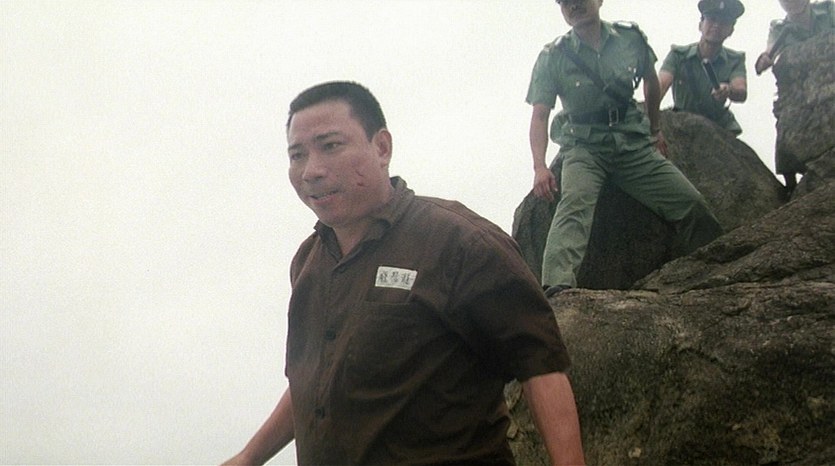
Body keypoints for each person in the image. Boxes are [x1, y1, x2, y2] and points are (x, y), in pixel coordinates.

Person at [222, 81, 585, 465]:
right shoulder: (309, 263)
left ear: (382, 147)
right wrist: (248, 457)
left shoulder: (460, 241)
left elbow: (540, 367)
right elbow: (314, 383)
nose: (311, 170)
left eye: (330, 146)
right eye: (298, 155)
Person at [526, 0, 723, 296]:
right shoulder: (552, 56)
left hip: (632, 143)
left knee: (691, 203)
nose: (574, 6)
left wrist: (655, 129)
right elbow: (540, 115)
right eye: (565, 2)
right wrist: (540, 166)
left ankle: (715, 267)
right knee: (574, 206)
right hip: (584, 147)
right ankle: (556, 288)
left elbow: (651, 83)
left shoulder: (630, 38)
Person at [754, 0, 834, 193]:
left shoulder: (828, 9)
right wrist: (765, 59)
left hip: (830, 79)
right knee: (785, 121)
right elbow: (768, 55)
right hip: (802, 93)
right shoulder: (780, 28)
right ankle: (791, 185)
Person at [659, 0, 747, 135]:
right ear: (700, 25)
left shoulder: (735, 60)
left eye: (724, 22)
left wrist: (728, 90)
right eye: (712, 19)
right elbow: (660, 86)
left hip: (718, 126)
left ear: (731, 31)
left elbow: (741, 90)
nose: (716, 26)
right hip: (680, 121)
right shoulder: (678, 55)